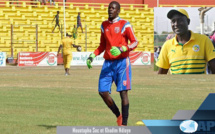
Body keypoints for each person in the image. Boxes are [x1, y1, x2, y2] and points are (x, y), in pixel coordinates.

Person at [86, 1, 138, 126]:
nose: (110, 10)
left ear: (118, 11)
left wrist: (122, 49)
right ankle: (118, 115)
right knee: (102, 92)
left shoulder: (125, 24)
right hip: (108, 63)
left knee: (123, 92)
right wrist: (92, 55)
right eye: (109, 8)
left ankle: (124, 124)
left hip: (122, 63)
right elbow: (102, 45)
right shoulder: (104, 25)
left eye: (113, 8)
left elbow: (135, 42)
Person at [156, 8, 215, 74]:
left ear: (188, 21)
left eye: (180, 20)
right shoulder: (167, 45)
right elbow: (162, 73)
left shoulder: (204, 40)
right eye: (173, 21)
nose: (176, 24)